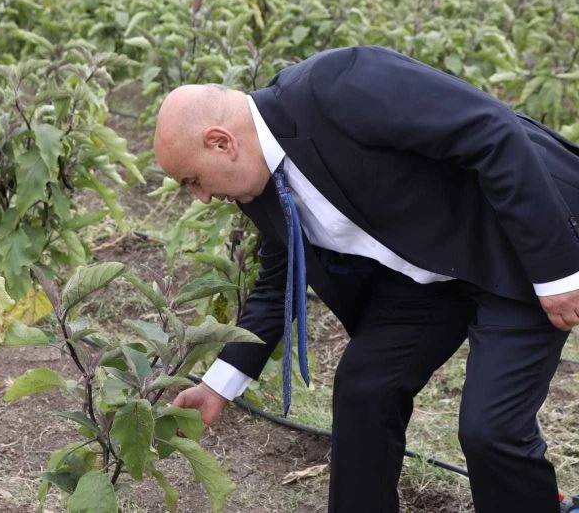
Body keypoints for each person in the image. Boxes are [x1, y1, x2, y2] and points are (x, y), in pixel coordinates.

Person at [153, 45, 579, 513]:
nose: (201, 198)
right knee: (364, 387)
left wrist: (558, 271)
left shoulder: (337, 86)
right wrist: (219, 384)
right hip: (428, 274)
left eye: (191, 180)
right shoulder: (256, 186)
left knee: (490, 428)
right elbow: (279, 279)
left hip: (515, 243)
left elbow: (490, 130)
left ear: (221, 142)